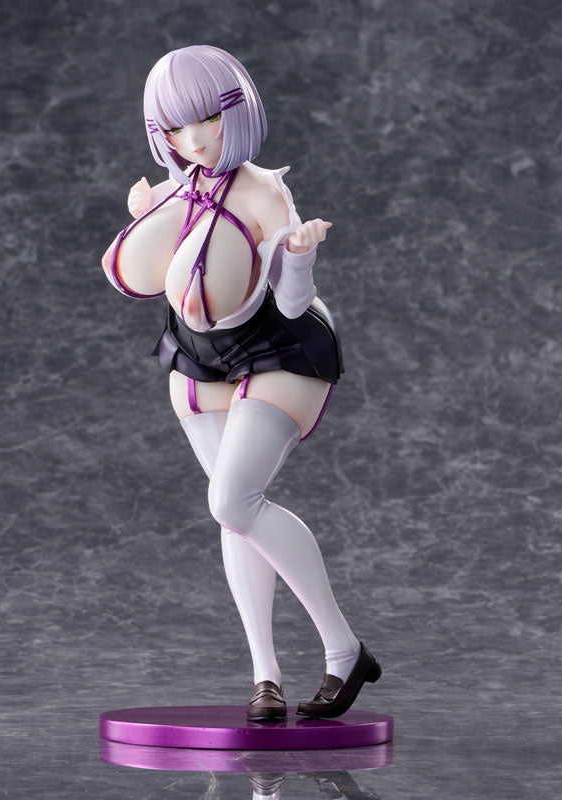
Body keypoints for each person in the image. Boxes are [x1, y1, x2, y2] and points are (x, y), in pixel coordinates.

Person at [102, 45, 381, 722]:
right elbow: (152, 259)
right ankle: (265, 676)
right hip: (200, 358)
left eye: (207, 118)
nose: (194, 140)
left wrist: (300, 257)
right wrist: (145, 211)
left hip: (276, 349)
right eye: (175, 127)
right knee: (233, 512)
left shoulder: (263, 192)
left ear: (238, 110)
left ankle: (345, 651)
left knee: (233, 500)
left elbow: (290, 302)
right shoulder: (184, 184)